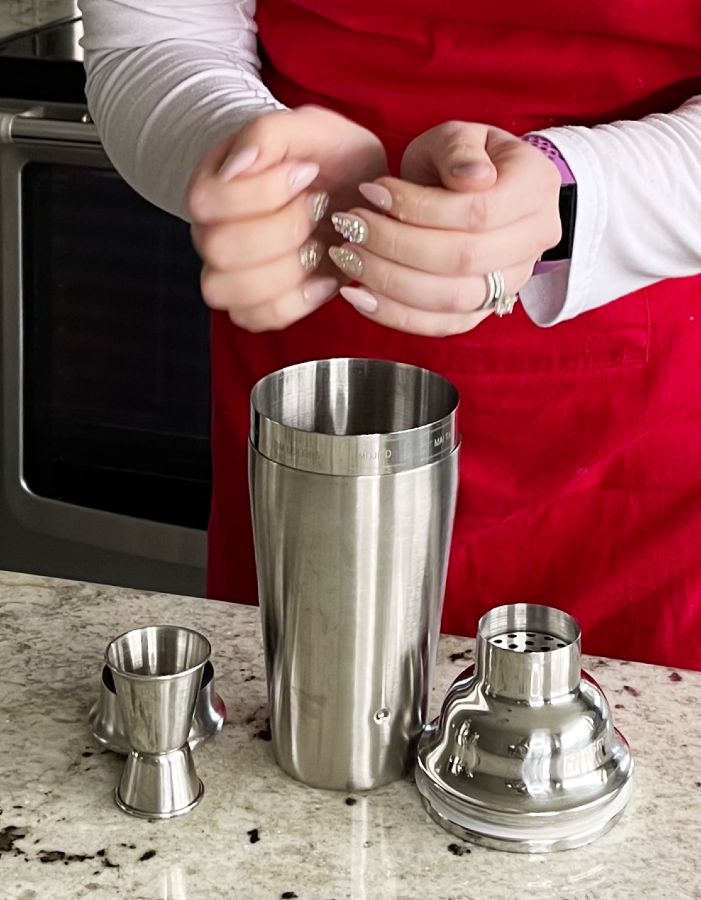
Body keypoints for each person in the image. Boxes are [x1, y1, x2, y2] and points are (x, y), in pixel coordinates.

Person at [79, 0, 701, 670]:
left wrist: (570, 196)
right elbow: (159, 35)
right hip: (318, 385)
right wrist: (253, 160)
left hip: (650, 437)